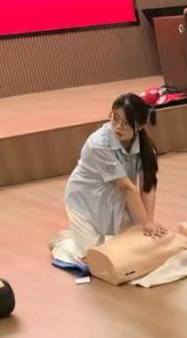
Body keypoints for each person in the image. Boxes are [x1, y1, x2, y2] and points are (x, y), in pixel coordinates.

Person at [49, 93, 162, 265]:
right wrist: (145, 222)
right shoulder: (98, 143)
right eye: (115, 119)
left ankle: (79, 236)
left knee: (134, 249)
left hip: (117, 198)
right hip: (85, 200)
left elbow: (148, 186)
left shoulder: (146, 148)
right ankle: (63, 243)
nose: (118, 127)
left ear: (139, 125)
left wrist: (149, 221)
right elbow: (127, 186)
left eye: (125, 123)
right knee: (91, 259)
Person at [83, 219, 187, 286]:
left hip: (118, 264)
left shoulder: (181, 248)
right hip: (108, 255)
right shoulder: (172, 236)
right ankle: (104, 253)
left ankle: (110, 259)